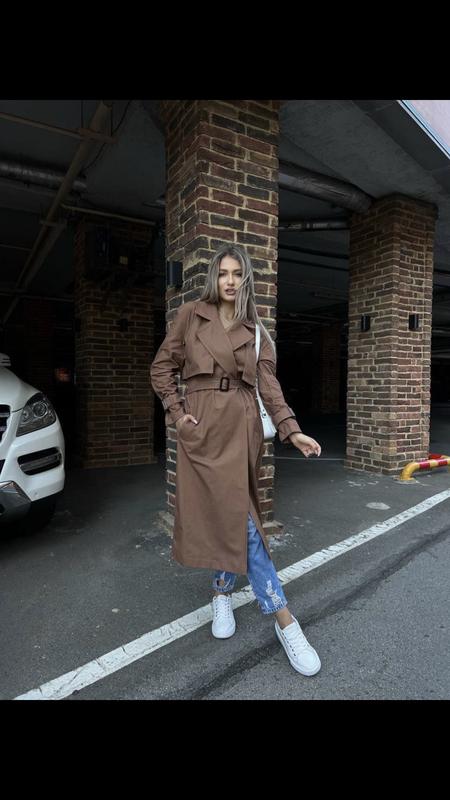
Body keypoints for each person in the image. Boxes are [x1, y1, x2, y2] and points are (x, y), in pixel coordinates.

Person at [150, 244, 322, 676]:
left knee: (241, 519)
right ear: (215, 276)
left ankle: (234, 597)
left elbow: (269, 386)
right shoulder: (191, 315)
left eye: (237, 274)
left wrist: (291, 429)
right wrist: (178, 414)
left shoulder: (257, 331)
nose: (230, 281)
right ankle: (280, 617)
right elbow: (161, 368)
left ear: (247, 280)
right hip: (202, 428)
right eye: (223, 273)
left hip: (241, 430)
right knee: (237, 521)